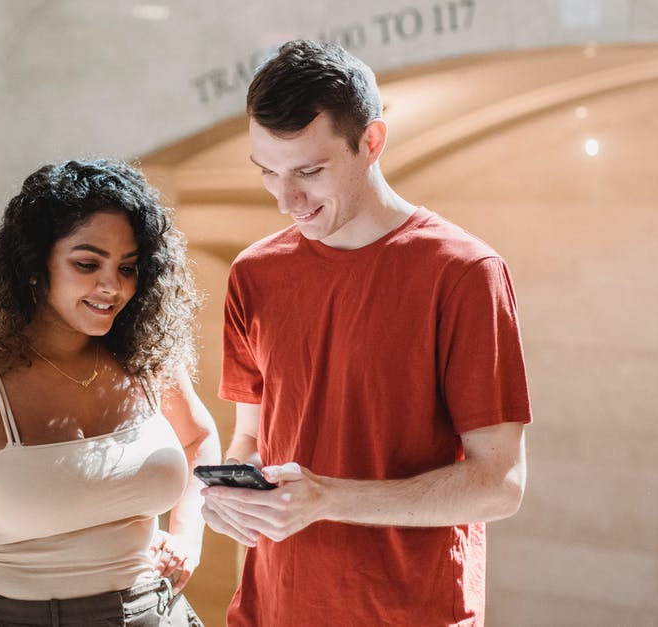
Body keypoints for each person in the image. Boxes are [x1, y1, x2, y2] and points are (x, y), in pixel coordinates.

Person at [199, 40, 531, 626]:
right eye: (268, 173)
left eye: (309, 171)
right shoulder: (253, 275)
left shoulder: (464, 273)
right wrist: (232, 502)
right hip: (271, 611)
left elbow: (499, 484)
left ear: (371, 143)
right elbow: (250, 441)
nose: (286, 200)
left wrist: (327, 498)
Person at [0, 159, 218, 627]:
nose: (112, 286)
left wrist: (186, 539)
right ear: (36, 264)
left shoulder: (144, 357)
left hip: (158, 614)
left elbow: (198, 439)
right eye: (87, 263)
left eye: (128, 267)